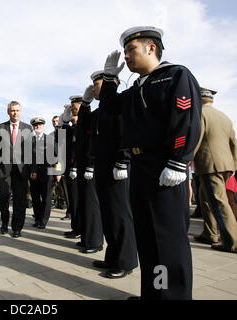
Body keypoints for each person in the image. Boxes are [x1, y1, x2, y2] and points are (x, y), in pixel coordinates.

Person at [100, 26, 202, 300]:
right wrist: (110, 78)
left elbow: (187, 119)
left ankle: (172, 297)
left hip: (165, 167)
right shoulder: (137, 86)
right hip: (140, 166)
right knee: (147, 238)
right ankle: (155, 294)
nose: (127, 57)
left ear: (151, 48)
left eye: (131, 50)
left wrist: (179, 162)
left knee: (166, 241)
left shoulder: (175, 75)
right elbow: (110, 107)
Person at [88, 70, 138, 278]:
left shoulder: (119, 105)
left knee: (120, 214)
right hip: (103, 166)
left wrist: (123, 161)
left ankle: (125, 261)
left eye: (97, 85)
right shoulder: (101, 111)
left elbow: (127, 133)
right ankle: (113, 256)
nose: (93, 88)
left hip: (117, 166)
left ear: (112, 84)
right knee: (108, 215)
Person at [193, 88, 237, 253]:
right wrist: (234, 165)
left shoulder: (201, 114)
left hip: (210, 164)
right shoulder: (224, 117)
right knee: (205, 199)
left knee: (219, 203)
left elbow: (196, 138)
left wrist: (186, 158)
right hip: (225, 165)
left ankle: (232, 241)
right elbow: (233, 142)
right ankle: (209, 233)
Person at [0, 101, 33, 238]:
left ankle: (17, 228)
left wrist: (33, 169)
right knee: (2, 197)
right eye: (12, 110)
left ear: (21, 112)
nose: (15, 113)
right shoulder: (0, 127)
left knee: (20, 200)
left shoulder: (28, 128)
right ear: (8, 112)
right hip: (4, 170)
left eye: (17, 110)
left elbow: (31, 151)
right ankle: (4, 222)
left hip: (21, 170)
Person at [69, 94, 103, 253]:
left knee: (91, 204)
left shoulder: (94, 116)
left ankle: (95, 241)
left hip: (93, 166)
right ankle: (87, 238)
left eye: (74, 105)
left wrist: (90, 164)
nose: (71, 108)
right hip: (82, 167)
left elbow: (92, 143)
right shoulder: (81, 122)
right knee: (84, 204)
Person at [29, 117, 53, 229]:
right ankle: (37, 219)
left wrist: (58, 173)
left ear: (43, 126)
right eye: (35, 125)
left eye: (39, 125)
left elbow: (57, 156)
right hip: (34, 175)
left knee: (46, 198)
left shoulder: (50, 139)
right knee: (35, 198)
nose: (37, 127)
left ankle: (43, 220)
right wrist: (32, 170)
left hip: (47, 174)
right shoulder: (30, 140)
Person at [60, 104, 80, 238]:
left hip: (80, 170)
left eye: (73, 110)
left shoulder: (82, 127)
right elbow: (60, 136)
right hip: (70, 169)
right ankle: (76, 227)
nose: (71, 113)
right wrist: (64, 120)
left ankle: (80, 229)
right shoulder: (71, 128)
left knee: (79, 201)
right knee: (73, 201)